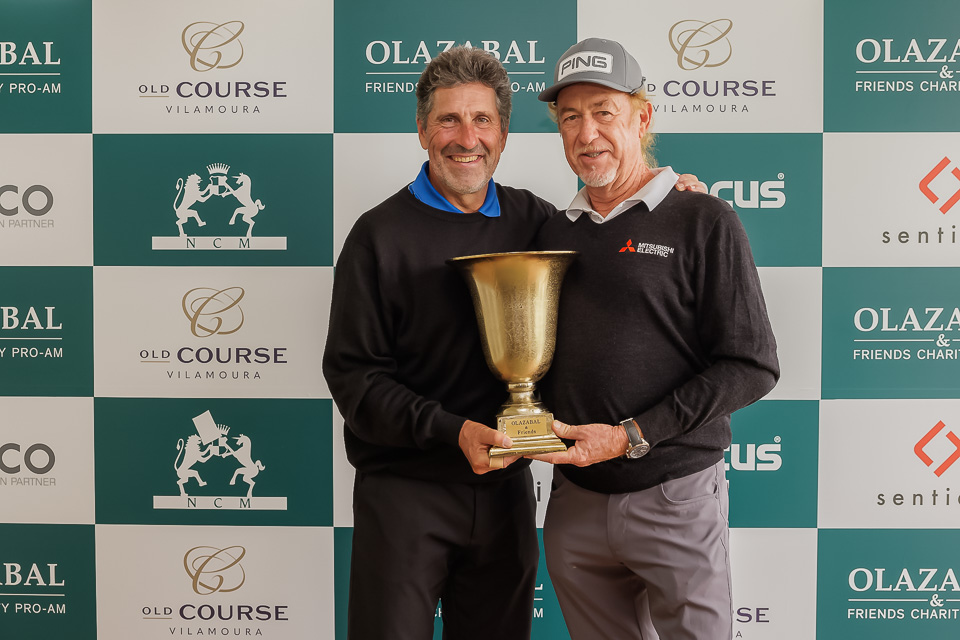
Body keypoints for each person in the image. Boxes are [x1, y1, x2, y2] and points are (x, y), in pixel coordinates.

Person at [322, 45, 705, 640]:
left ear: (503, 134)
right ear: (423, 130)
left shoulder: (541, 222)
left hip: (505, 496)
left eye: (483, 121)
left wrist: (676, 203)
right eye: (448, 119)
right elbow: (354, 379)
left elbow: (620, 242)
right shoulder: (378, 236)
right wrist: (452, 431)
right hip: (406, 496)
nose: (466, 137)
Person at [531, 38, 780, 640]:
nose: (586, 132)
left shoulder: (704, 219)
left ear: (643, 118)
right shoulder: (546, 231)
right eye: (570, 117)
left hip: (674, 495)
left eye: (603, 112)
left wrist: (631, 437)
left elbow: (751, 364)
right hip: (575, 500)